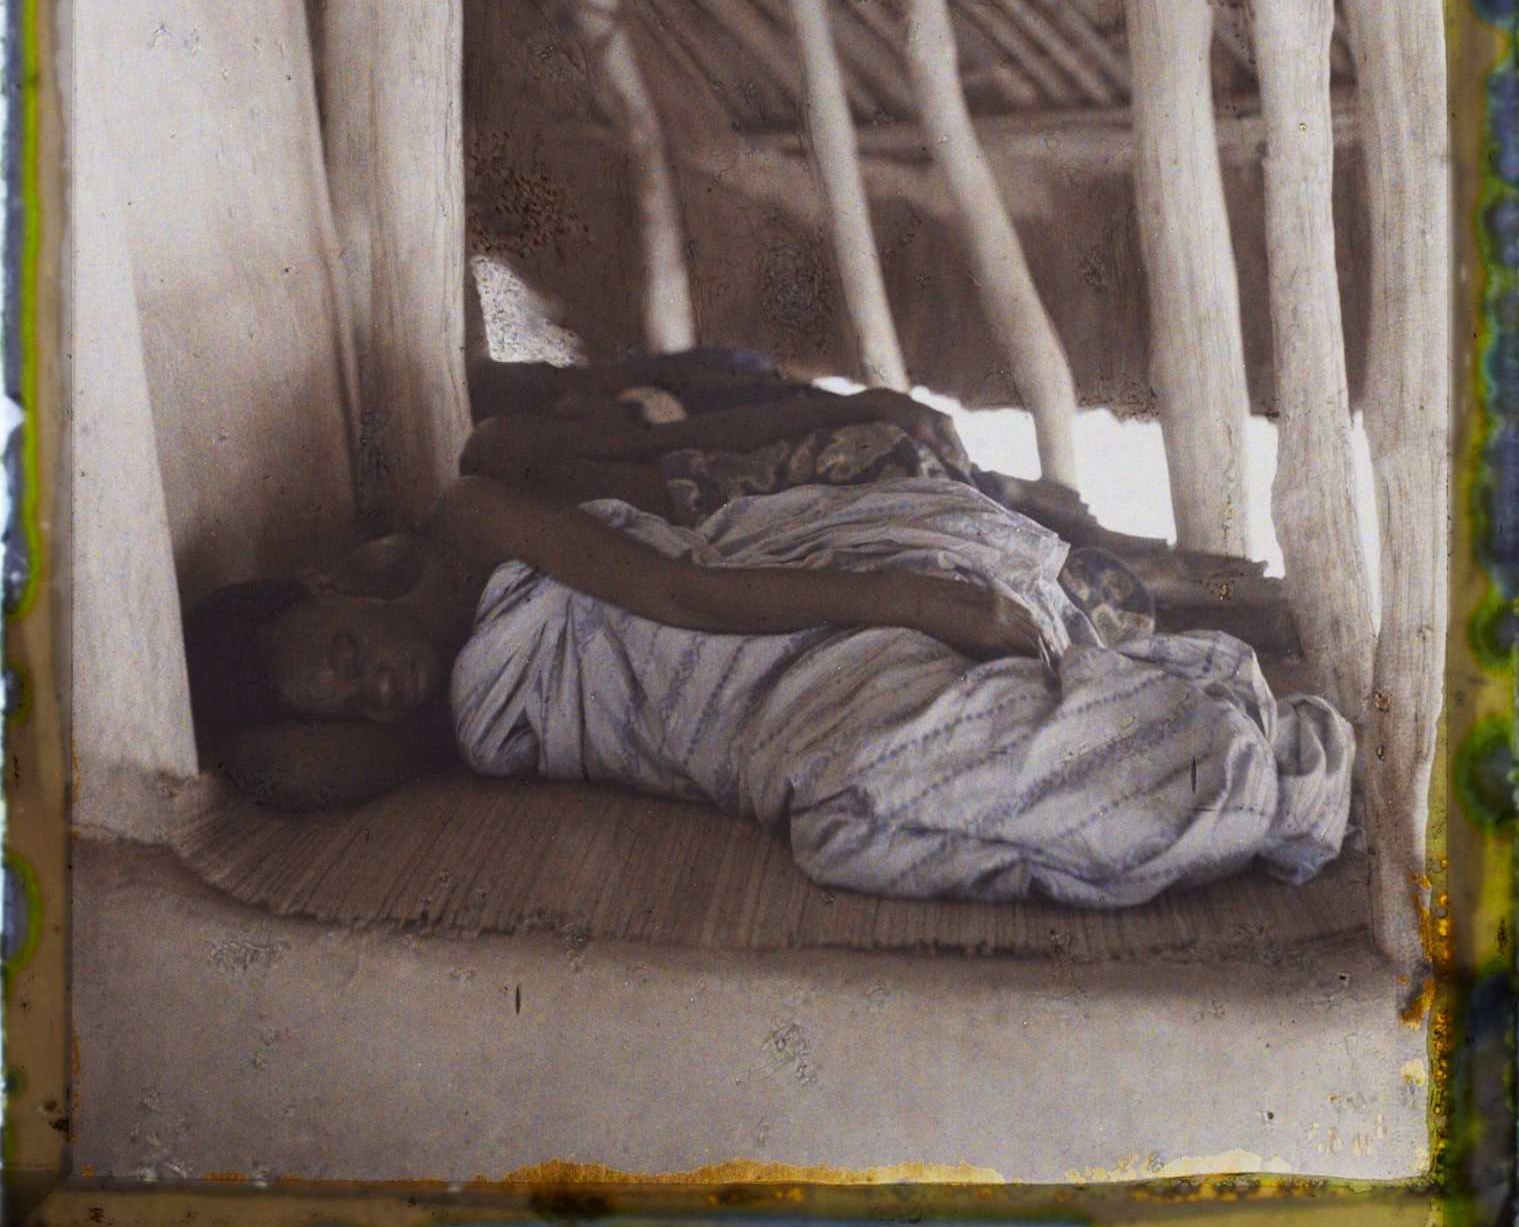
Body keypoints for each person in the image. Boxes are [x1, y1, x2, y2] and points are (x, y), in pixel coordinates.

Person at [186, 369, 1354, 911]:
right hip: (712, 739)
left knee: (902, 737)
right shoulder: (430, 713)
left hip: (731, 643)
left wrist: (905, 594)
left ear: (337, 583)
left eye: (345, 656)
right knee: (856, 822)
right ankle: (1188, 748)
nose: (374, 686)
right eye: (343, 697)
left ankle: (1200, 737)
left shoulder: (478, 519)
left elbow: (681, 597)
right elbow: (317, 760)